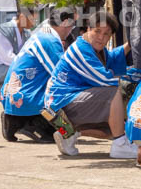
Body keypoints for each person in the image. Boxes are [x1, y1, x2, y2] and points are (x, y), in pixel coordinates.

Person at [43, 9, 136, 159]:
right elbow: (105, 80)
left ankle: (69, 136)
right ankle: (120, 145)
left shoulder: (97, 50)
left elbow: (112, 58)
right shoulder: (81, 49)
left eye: (106, 34)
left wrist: (131, 44)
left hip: (63, 103)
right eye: (97, 31)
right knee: (114, 92)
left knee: (115, 126)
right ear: (88, 29)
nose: (101, 37)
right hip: (60, 106)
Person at [1, 8, 75, 142]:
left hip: (11, 98)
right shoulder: (49, 40)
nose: (72, 29)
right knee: (72, 92)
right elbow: (64, 75)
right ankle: (30, 123)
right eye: (72, 24)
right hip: (27, 100)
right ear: (65, 23)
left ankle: (15, 120)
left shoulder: (41, 34)